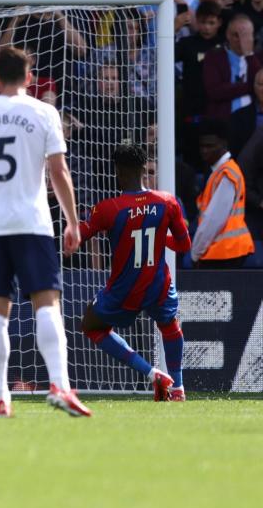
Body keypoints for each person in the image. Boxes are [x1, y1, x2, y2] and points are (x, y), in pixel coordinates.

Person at [0, 47, 91, 418]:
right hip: (33, 223)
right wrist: (73, 221)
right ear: (30, 78)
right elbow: (59, 171)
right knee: (47, 304)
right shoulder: (44, 112)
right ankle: (59, 385)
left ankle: (0, 398)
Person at [78, 144, 190, 401]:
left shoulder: (107, 208)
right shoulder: (167, 202)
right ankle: (179, 388)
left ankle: (152, 374)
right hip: (158, 284)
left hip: (124, 288)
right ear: (143, 168)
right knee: (169, 326)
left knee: (91, 326)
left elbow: (76, 240)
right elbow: (185, 246)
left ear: (116, 171)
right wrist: (162, 240)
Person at [191, 121, 256, 268]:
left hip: (224, 252)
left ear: (223, 145)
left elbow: (213, 219)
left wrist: (195, 252)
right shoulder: (221, 172)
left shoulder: (227, 174)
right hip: (226, 250)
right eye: (202, 146)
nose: (204, 151)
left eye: (210, 146)